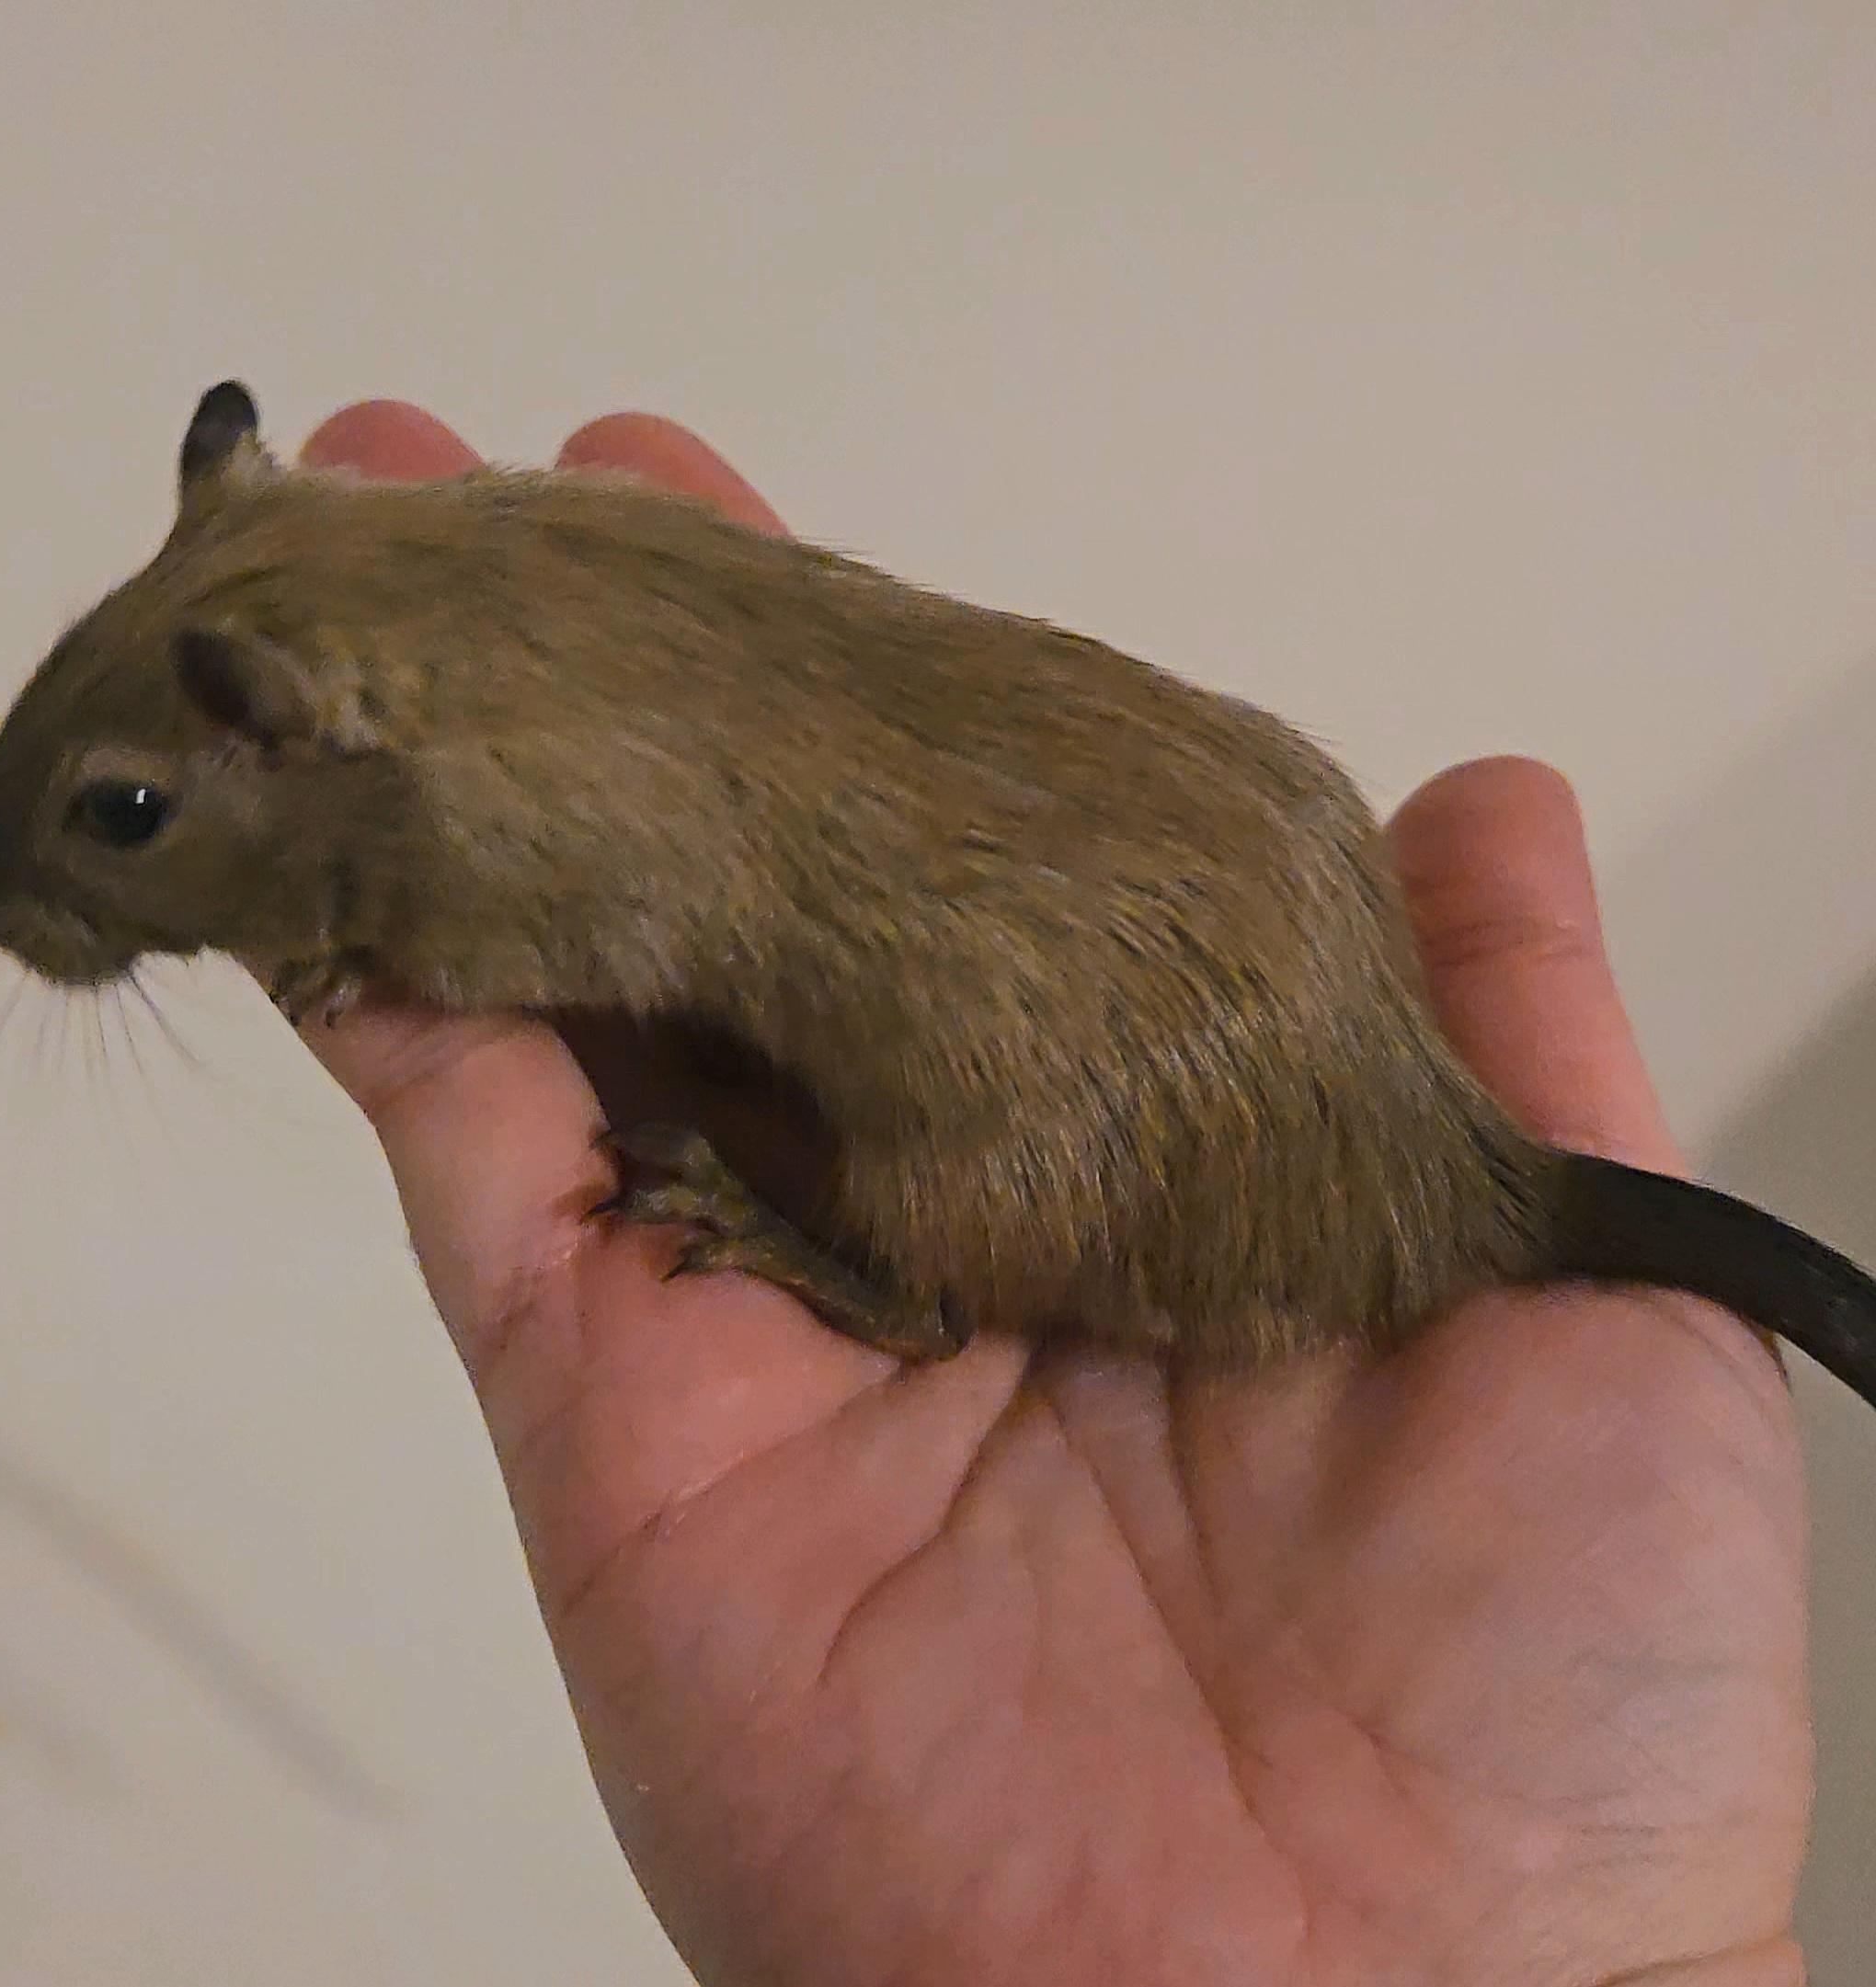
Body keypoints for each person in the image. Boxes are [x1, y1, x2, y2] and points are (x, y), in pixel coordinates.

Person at [291, 398, 1812, 1987]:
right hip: (1214, 931)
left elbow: (621, 915)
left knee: (948, 1135)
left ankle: (895, 1284)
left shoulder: (584, 785)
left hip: (1105, 1091)